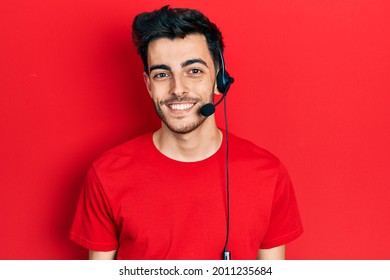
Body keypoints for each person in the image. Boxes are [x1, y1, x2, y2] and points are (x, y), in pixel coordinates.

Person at [69, 5, 303, 260]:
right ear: (148, 85)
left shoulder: (269, 174)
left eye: (194, 71)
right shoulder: (106, 175)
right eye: (162, 74)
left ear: (218, 79)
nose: (177, 88)